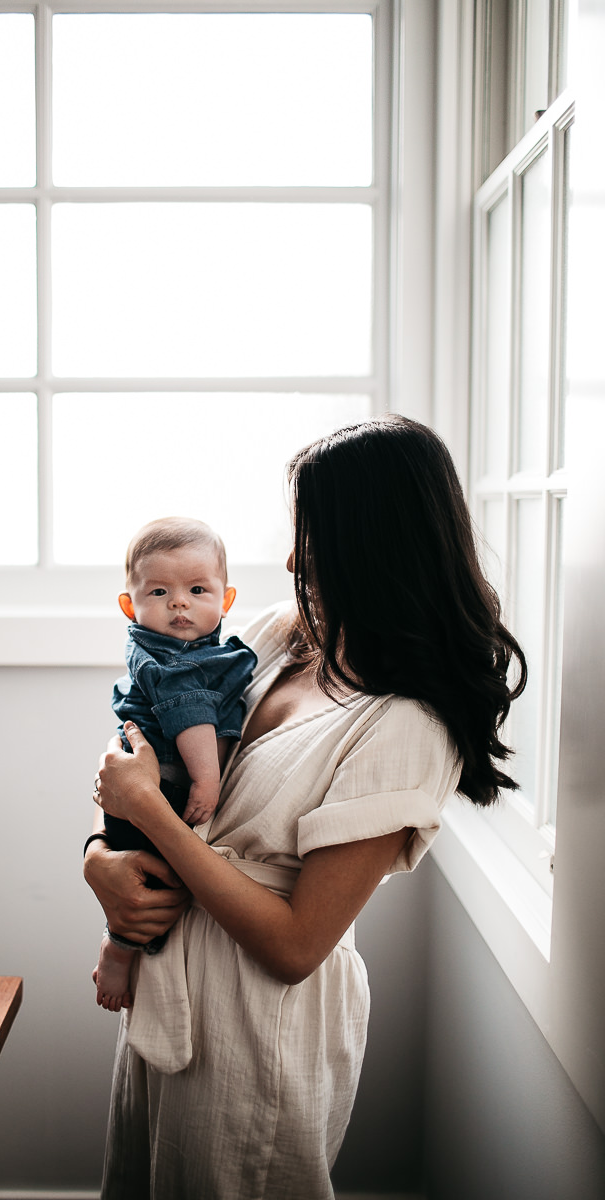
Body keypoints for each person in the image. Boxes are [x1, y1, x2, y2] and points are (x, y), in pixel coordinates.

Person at [84, 415, 526, 1200]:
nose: (292, 559)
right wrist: (102, 858)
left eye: (312, 535)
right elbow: (146, 756)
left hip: (262, 1030)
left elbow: (294, 947)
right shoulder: (282, 636)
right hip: (168, 989)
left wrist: (148, 820)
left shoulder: (405, 727)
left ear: (373, 541)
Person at [92, 517, 257, 1012]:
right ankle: (118, 947)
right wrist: (208, 779)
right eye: (160, 591)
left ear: (226, 600)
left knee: (161, 883)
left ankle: (125, 943)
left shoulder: (203, 648)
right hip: (162, 785)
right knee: (155, 885)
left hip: (147, 786)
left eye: (197, 589)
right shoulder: (170, 659)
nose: (179, 602)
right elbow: (190, 715)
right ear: (130, 605)